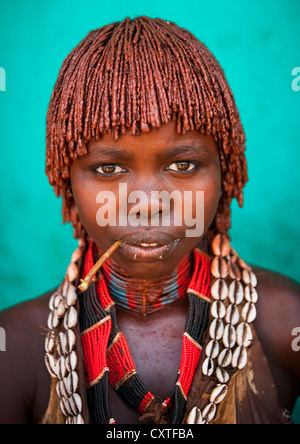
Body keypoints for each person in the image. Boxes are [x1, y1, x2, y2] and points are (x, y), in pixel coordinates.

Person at [0, 16, 299, 425]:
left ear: (225, 172)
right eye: (109, 170)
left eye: (183, 163)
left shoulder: (284, 321)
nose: (146, 203)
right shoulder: (14, 347)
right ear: (67, 183)